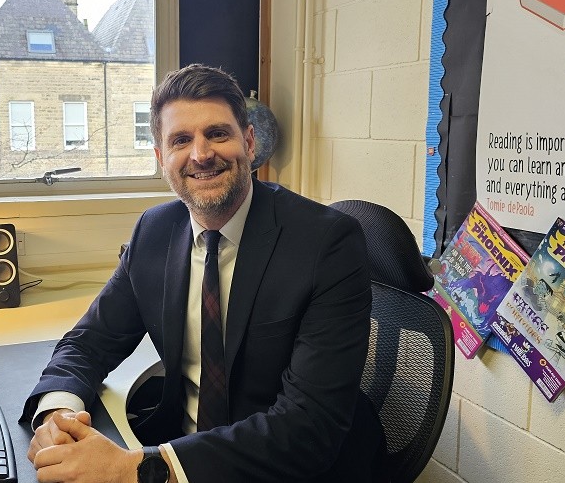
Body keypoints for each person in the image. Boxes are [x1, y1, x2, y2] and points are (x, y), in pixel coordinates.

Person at [20, 64, 386, 483]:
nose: (201, 154)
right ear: (161, 158)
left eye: (217, 134)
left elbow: (309, 427)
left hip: (290, 469)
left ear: (249, 142)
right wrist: (59, 415)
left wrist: (139, 469)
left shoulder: (326, 243)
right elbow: (90, 342)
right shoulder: (154, 232)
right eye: (180, 140)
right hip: (182, 451)